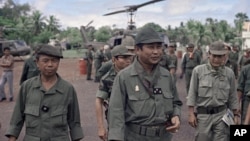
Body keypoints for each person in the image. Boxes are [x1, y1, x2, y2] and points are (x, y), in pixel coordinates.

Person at [108, 27, 183, 141]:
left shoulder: (166, 76)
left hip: (163, 137)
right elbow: (116, 114)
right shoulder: (124, 77)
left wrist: (176, 115)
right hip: (135, 137)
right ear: (137, 49)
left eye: (159, 47)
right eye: (151, 47)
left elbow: (176, 102)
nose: (156, 51)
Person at [5, 44, 84, 141]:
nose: (50, 64)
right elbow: (16, 119)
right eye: (45, 61)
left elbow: (74, 123)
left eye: (54, 61)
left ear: (58, 63)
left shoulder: (67, 89)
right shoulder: (27, 87)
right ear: (37, 63)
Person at [187, 41, 239, 141]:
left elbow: (233, 95)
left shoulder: (229, 73)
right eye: (214, 56)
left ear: (224, 56)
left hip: (221, 116)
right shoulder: (198, 71)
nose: (216, 59)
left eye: (220, 56)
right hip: (203, 116)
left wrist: (236, 114)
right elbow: (192, 93)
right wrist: (190, 114)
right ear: (209, 54)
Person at [95, 45, 134, 141]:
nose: (128, 60)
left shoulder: (135, 76)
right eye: (124, 57)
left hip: (135, 120)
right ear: (114, 59)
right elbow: (99, 101)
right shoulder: (107, 79)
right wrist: (101, 127)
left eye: (129, 57)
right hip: (115, 121)